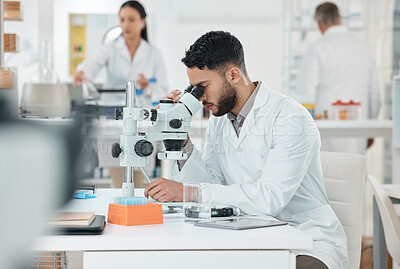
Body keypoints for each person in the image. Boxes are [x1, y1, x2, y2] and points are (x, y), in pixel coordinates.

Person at [144, 31, 348, 269]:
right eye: (193, 89)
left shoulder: (290, 117)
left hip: (306, 237)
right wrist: (181, 140)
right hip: (246, 233)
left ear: (233, 74)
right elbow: (211, 184)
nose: (199, 97)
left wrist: (189, 192)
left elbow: (269, 199)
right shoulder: (219, 120)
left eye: (203, 86)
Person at [295, 2, 380, 154]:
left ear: (319, 23)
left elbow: (305, 93)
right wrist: (370, 127)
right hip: (359, 128)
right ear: (339, 18)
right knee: (355, 172)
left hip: (326, 129)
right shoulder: (364, 47)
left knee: (329, 174)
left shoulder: (317, 48)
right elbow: (374, 93)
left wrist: (304, 130)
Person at [73, 0, 168, 104]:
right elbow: (92, 64)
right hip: (111, 109)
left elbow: (162, 92)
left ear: (143, 22)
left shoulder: (154, 54)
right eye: (122, 20)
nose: (126, 24)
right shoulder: (110, 48)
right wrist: (82, 72)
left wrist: (148, 87)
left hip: (141, 110)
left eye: (131, 20)